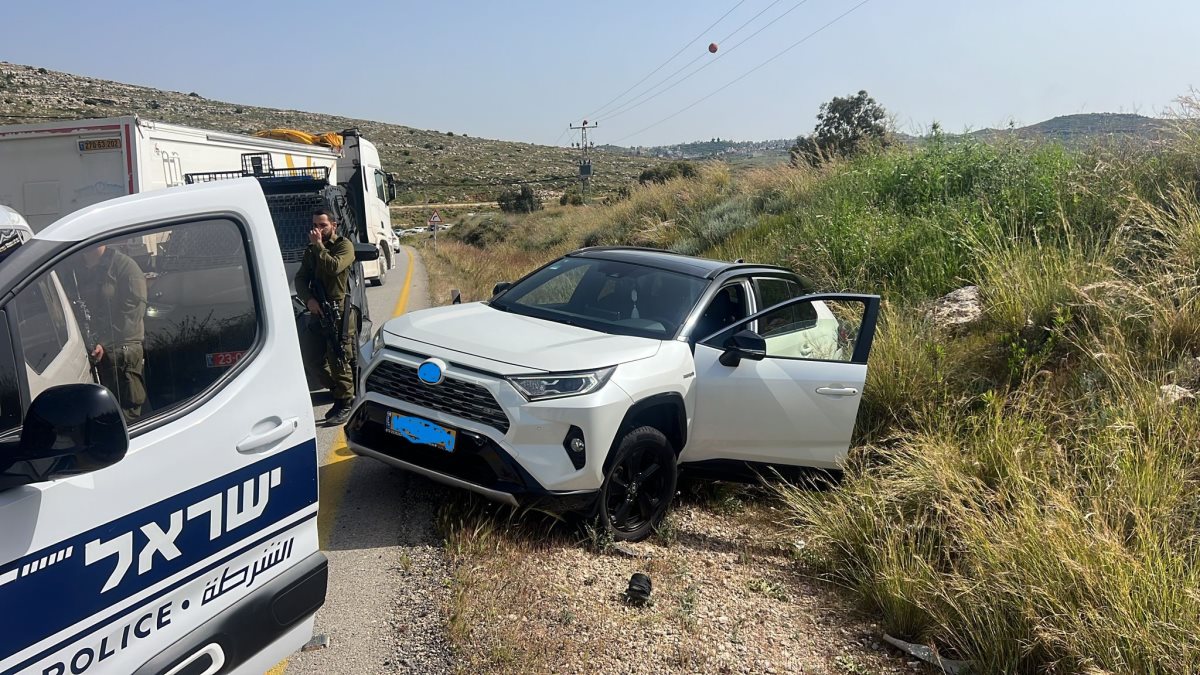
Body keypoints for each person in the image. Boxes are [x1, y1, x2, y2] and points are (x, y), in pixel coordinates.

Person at [72, 243, 148, 421]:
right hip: (92, 352)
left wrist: (104, 342)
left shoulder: (125, 267)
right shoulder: (74, 269)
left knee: (126, 418)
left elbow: (132, 315)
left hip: (121, 355)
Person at [295, 207, 357, 425]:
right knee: (312, 359)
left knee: (338, 356)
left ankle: (347, 402)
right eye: (315, 225)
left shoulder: (344, 246)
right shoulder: (311, 249)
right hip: (317, 308)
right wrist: (309, 300)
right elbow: (301, 278)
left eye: (323, 225)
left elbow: (333, 267)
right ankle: (338, 392)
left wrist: (319, 246)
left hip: (338, 308)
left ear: (334, 225)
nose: (318, 229)